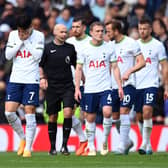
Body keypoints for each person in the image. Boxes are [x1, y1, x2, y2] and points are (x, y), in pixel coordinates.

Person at [75, 21, 124, 156]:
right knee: (90, 118)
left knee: (108, 112)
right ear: (91, 33)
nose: (100, 33)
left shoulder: (109, 48)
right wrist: (77, 88)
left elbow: (115, 67)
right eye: (97, 31)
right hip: (90, 88)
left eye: (102, 31)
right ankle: (91, 146)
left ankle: (104, 141)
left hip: (105, 87)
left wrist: (119, 87)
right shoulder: (84, 49)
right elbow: (78, 69)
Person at [102, 20, 145, 155]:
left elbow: (142, 62)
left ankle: (121, 145)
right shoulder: (109, 45)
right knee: (115, 116)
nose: (106, 33)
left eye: (109, 31)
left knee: (124, 110)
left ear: (116, 31)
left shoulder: (131, 43)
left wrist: (129, 71)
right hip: (113, 86)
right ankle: (126, 141)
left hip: (129, 84)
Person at [5, 14, 44, 157]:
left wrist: (26, 41)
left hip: (31, 79)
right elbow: (8, 56)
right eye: (20, 31)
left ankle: (28, 147)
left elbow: (37, 56)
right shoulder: (13, 35)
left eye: (24, 31)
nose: (21, 34)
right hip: (16, 78)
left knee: (29, 110)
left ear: (31, 27)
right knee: (9, 112)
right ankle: (22, 137)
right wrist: (20, 42)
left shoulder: (39, 36)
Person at [40, 24, 76, 156]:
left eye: (66, 32)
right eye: (61, 32)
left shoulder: (70, 49)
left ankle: (65, 146)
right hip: (52, 87)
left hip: (67, 86)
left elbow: (76, 66)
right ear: (55, 33)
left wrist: (79, 84)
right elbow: (40, 65)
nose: (64, 34)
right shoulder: (47, 48)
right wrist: (42, 78)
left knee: (68, 113)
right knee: (53, 116)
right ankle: (52, 147)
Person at [135, 17, 168, 155]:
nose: (142, 31)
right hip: (136, 84)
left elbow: (165, 66)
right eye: (140, 29)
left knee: (147, 110)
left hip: (151, 83)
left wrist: (166, 85)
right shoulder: (134, 45)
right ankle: (147, 142)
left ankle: (144, 144)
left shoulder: (157, 45)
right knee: (139, 115)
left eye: (145, 29)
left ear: (150, 29)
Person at [66, 16, 91, 155]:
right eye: (73, 27)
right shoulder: (68, 42)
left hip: (88, 84)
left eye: (77, 27)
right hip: (71, 83)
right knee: (68, 113)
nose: (74, 29)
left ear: (84, 28)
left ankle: (88, 146)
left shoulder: (90, 42)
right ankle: (83, 139)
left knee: (87, 114)